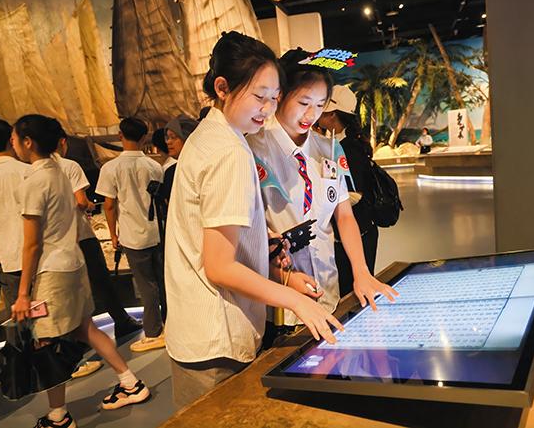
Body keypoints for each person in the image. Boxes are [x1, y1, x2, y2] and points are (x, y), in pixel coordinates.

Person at [164, 31, 344, 408]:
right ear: (222, 87)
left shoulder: (210, 136)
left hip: (196, 330)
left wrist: (280, 270)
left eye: (274, 98)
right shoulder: (231, 151)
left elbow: (220, 239)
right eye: (259, 96)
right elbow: (219, 266)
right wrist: (296, 301)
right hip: (217, 336)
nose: (267, 108)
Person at [11, 115, 150, 428]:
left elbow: (31, 244)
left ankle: (58, 416)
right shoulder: (61, 172)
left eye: (16, 139)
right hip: (74, 263)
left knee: (45, 342)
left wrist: (22, 294)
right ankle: (130, 382)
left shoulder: (34, 181)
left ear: (28, 142)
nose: (14, 144)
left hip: (51, 272)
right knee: (86, 328)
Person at [249, 51, 397, 329]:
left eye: (320, 105)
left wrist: (361, 272)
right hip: (280, 302)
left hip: (328, 293)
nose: (311, 114)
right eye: (303, 103)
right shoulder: (253, 150)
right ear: (280, 96)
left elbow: (344, 216)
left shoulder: (329, 149)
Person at [52, 133, 142, 341]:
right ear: (62, 142)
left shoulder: (32, 172)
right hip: (81, 235)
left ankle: (76, 336)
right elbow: (80, 201)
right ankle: (121, 321)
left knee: (69, 289)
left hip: (56, 240)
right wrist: (89, 205)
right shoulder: (69, 166)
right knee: (100, 280)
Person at [96, 117, 166, 353]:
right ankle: (170, 323)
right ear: (144, 137)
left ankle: (153, 331)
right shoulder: (154, 166)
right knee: (162, 281)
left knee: (146, 285)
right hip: (157, 232)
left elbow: (109, 205)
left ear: (120, 136)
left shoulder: (111, 168)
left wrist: (113, 235)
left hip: (133, 236)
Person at [317, 85, 380, 297]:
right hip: (358, 230)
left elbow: (356, 193)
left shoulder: (346, 147)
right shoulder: (341, 142)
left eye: (321, 109)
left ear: (332, 114)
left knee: (353, 293)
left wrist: (324, 204)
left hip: (358, 233)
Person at [0, 119, 29, 330]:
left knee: (19, 319)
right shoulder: (27, 171)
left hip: (6, 258)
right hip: (37, 257)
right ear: (10, 141)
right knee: (46, 316)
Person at [159, 115, 199, 221]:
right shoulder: (171, 171)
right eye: (167, 137)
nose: (168, 142)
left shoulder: (199, 168)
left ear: (187, 138)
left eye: (173, 137)